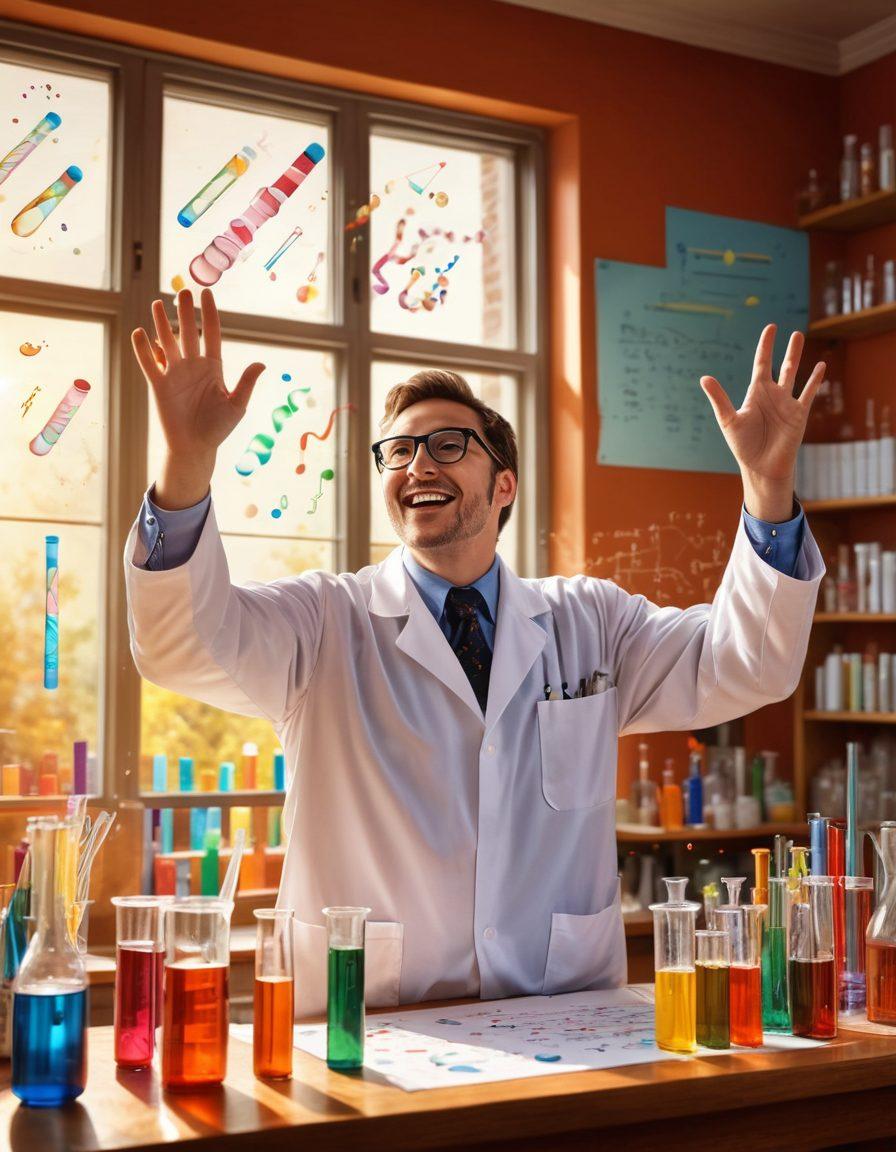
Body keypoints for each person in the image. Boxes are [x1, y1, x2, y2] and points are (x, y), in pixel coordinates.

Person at [125, 288, 825, 1016]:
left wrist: (767, 488)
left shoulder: (592, 621)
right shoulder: (326, 621)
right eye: (397, 450)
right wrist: (186, 463)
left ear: (504, 485)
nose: (417, 464)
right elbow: (183, 647)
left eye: (447, 444)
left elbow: (747, 663)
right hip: (376, 1017)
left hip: (559, 1007)